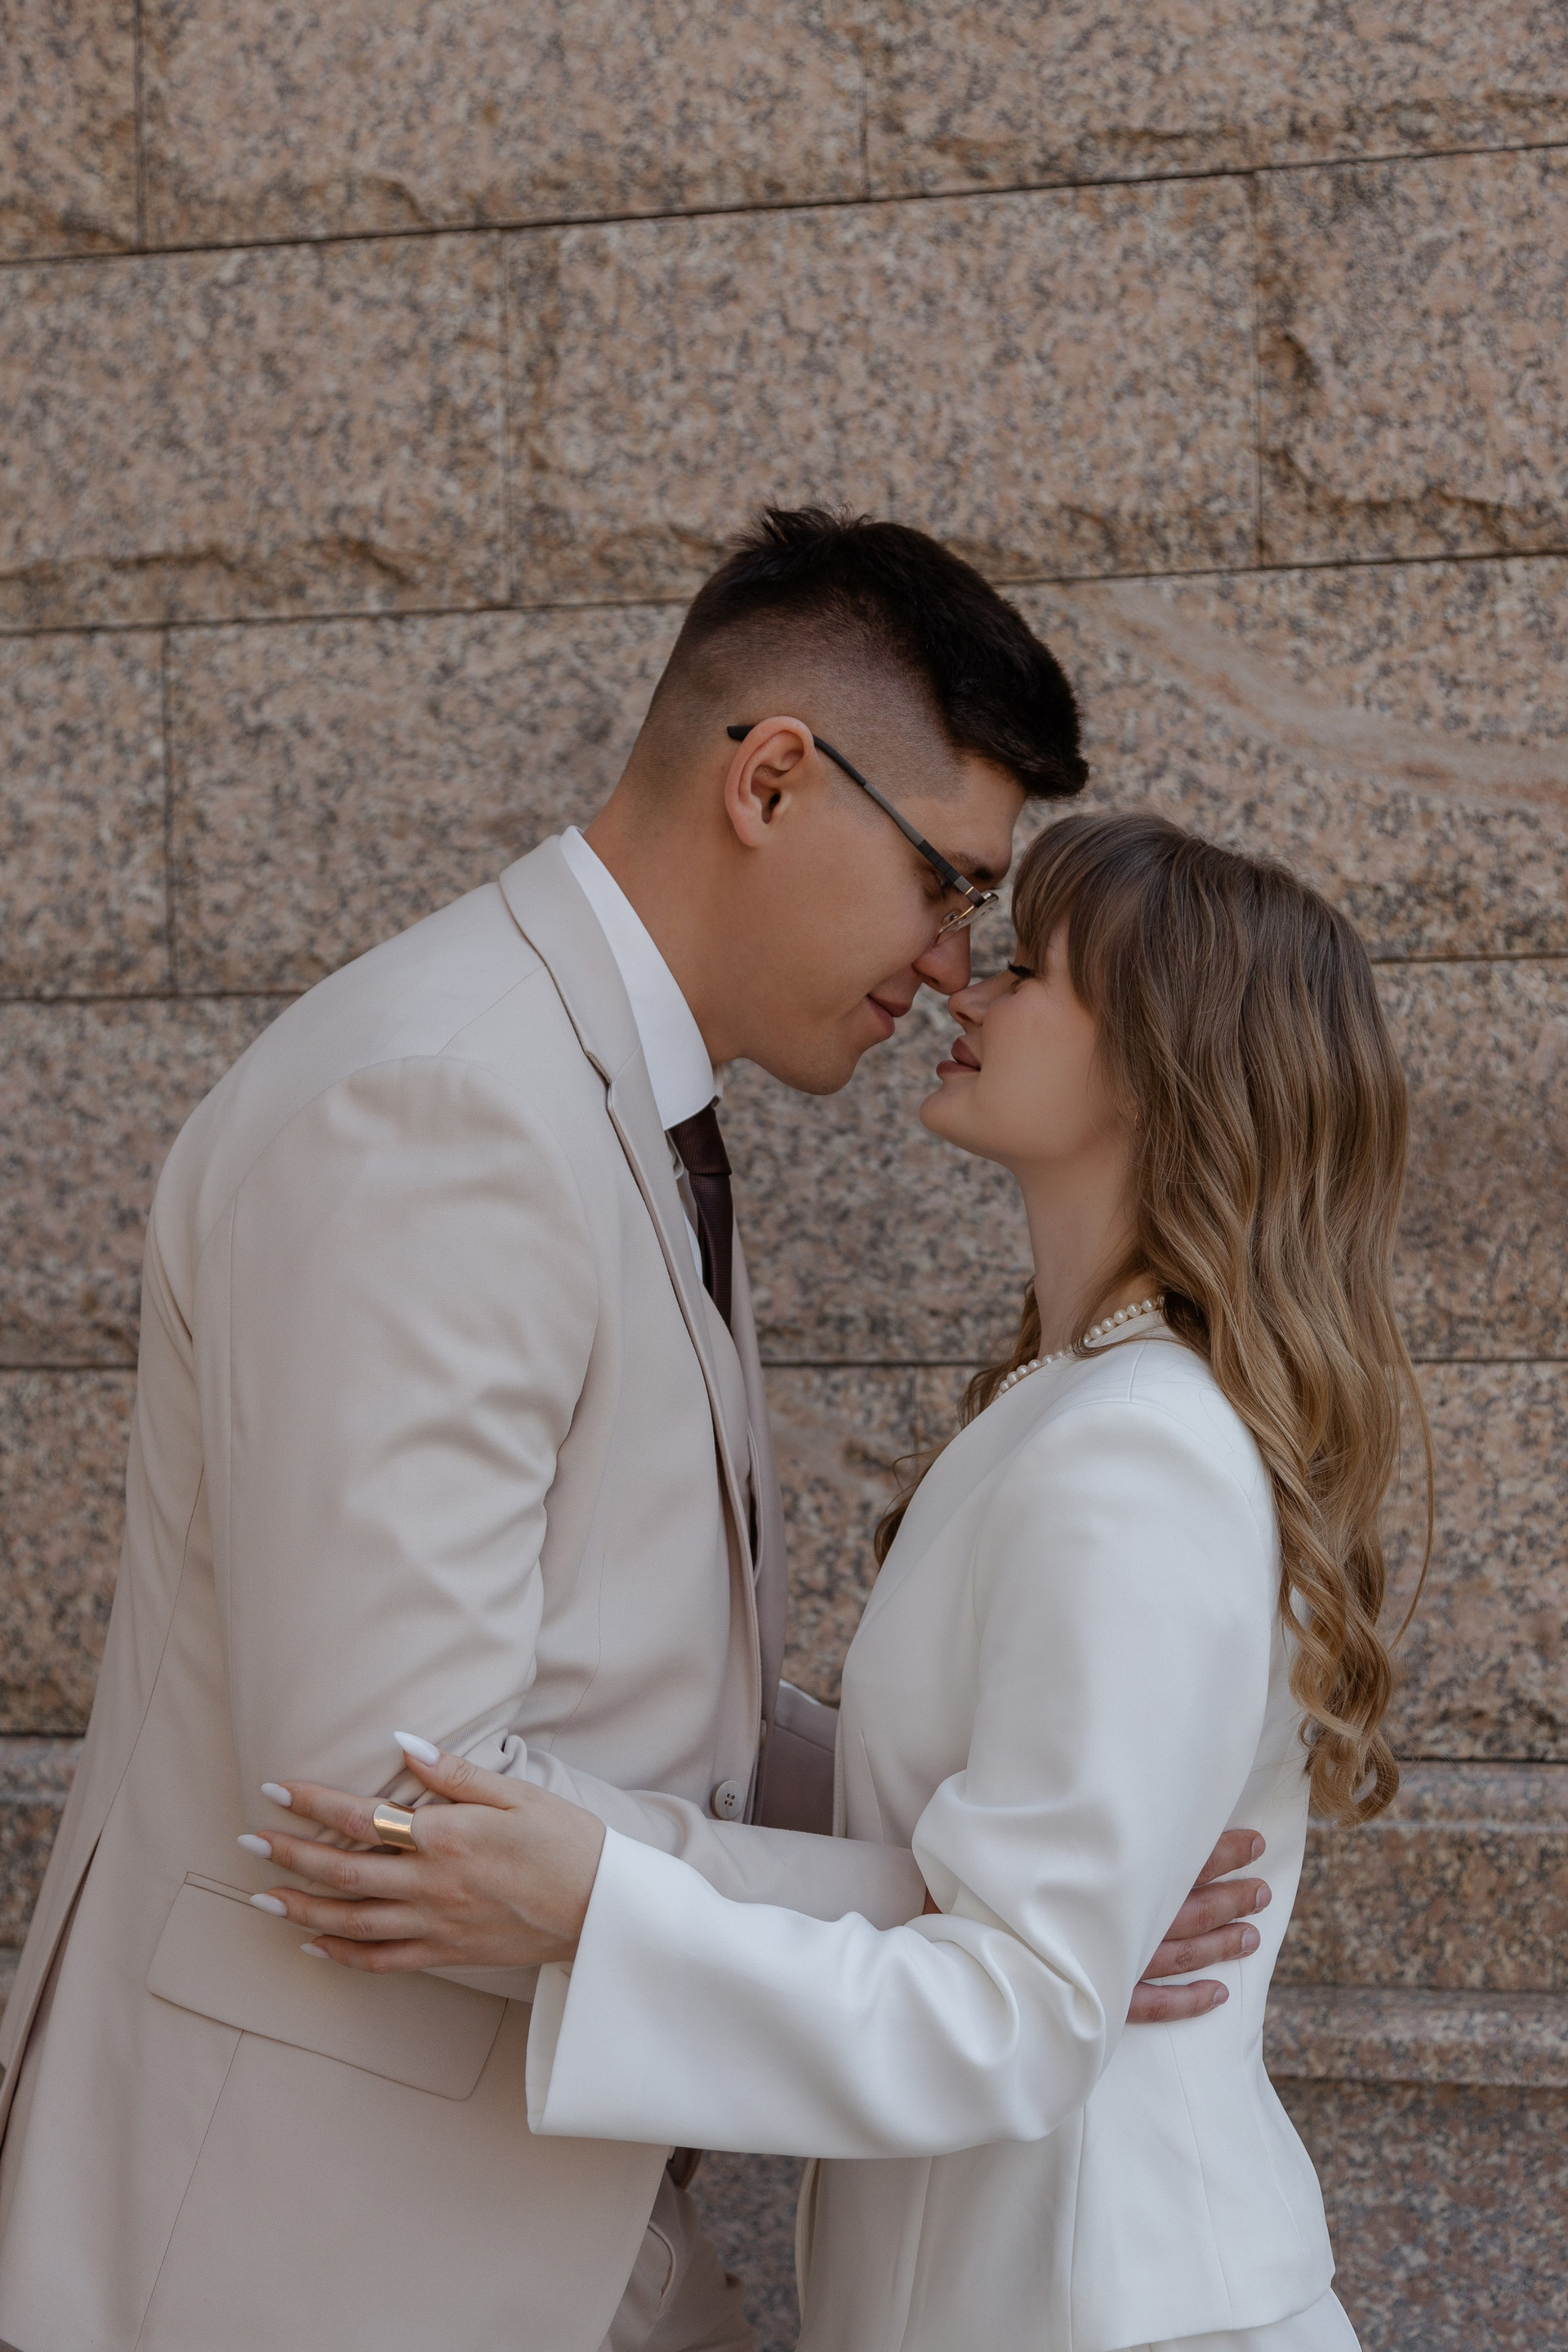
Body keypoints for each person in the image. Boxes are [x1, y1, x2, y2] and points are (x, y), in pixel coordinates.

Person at [0, 516, 1271, 2352]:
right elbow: (397, 1792)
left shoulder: (606, 1095)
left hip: (531, 2207)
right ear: (772, 781)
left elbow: (628, 1678)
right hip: (312, 2237)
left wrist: (1055, 1850)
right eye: (946, 886)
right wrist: (953, 1913)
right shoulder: (448, 1109)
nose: (950, 963)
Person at [256, 811, 1428, 2352]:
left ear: (1161, 1068)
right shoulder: (1082, 1404)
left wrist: (591, 1906)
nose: (965, 988)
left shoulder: (1139, 1449)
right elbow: (971, 1866)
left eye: (1030, 972)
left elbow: (1016, 2014)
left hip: (1109, 2309)